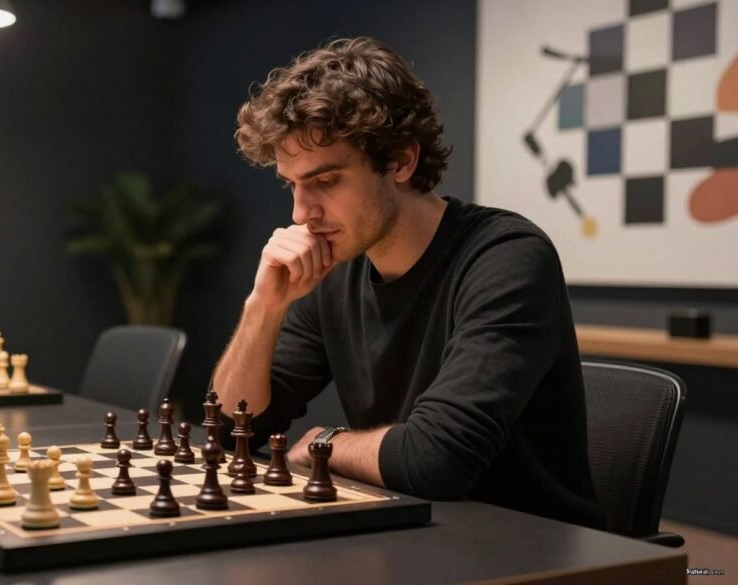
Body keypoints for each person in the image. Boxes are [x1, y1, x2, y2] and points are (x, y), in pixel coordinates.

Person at [211, 37, 604, 529]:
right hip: (412, 532)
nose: (300, 213)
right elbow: (231, 429)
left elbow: (437, 459)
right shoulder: (338, 269)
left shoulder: (507, 257)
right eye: (292, 184)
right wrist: (263, 307)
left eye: (326, 182)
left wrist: (323, 445)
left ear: (400, 160)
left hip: (531, 544)